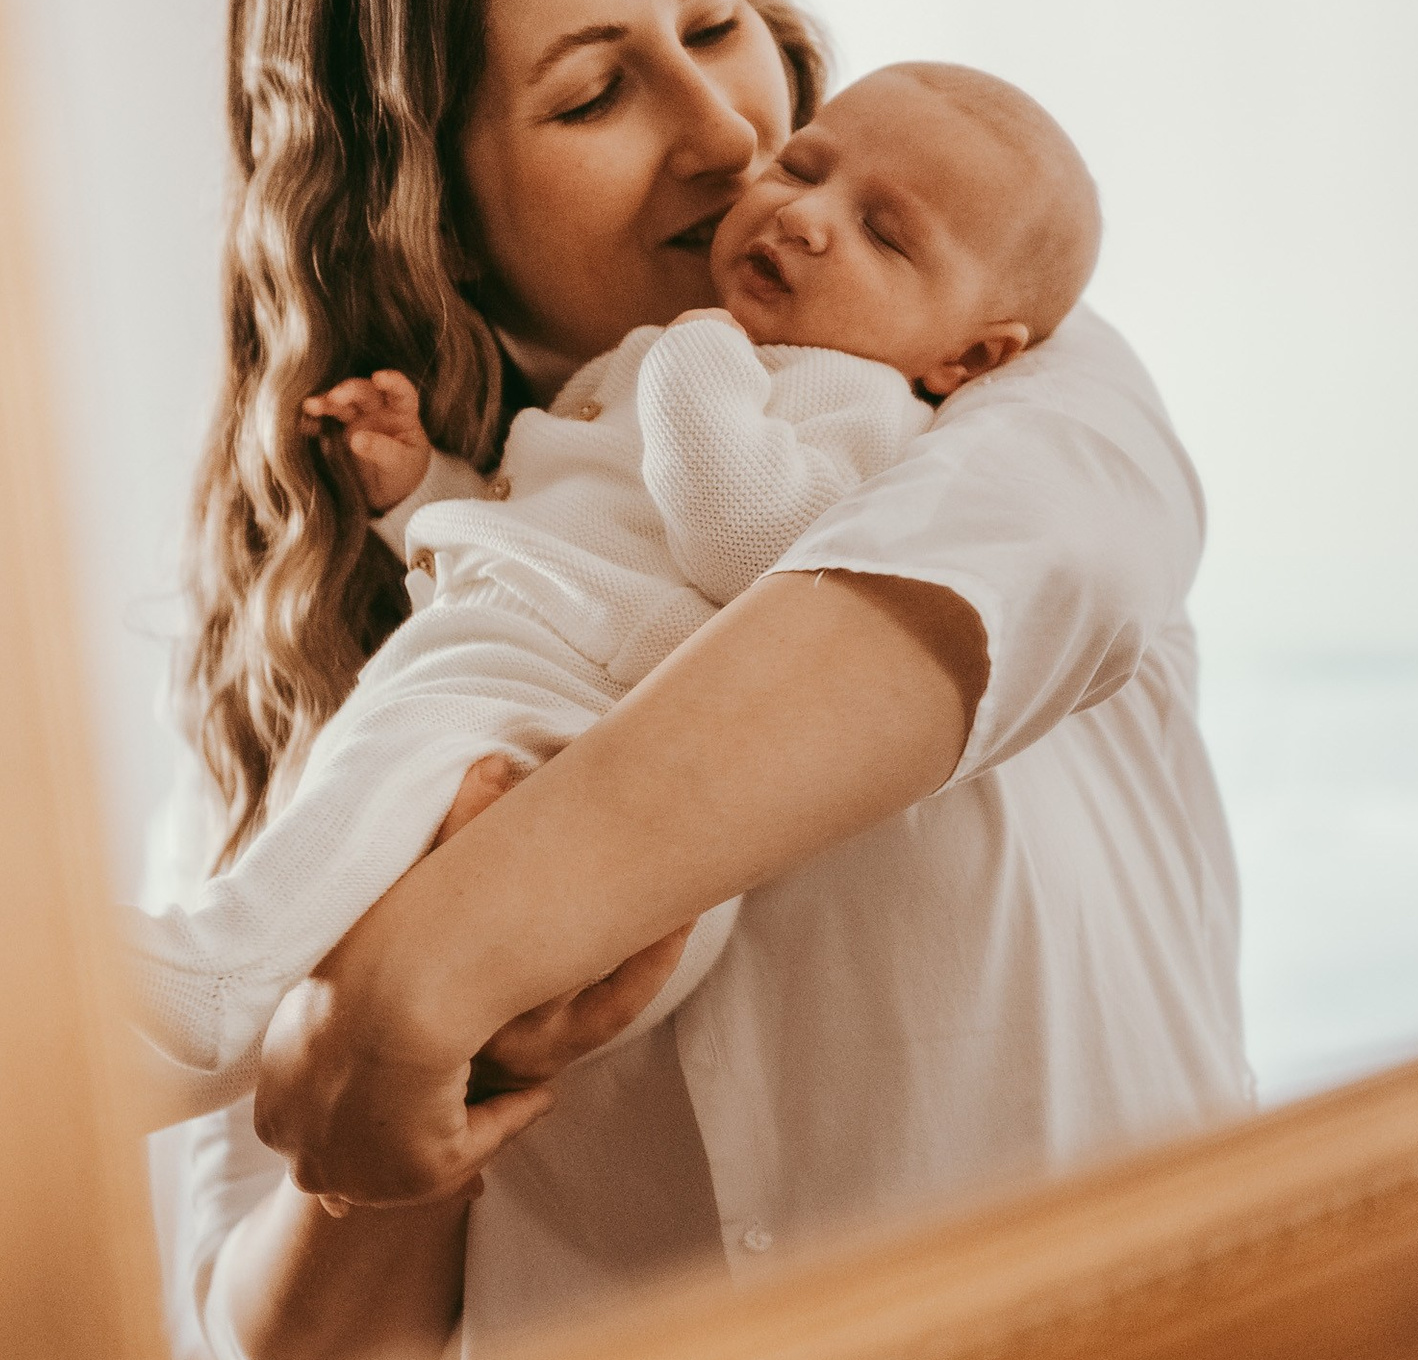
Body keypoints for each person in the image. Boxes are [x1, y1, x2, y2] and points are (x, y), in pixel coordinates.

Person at [149, 0, 1247, 1360]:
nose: (730, 130)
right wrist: (384, 1155)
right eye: (595, 93)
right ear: (423, 205)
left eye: (717, 18)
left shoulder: (1000, 378)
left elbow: (907, 612)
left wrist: (418, 981)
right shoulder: (346, 654)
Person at [123, 63, 1103, 1110]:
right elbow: (558, 514)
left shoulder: (859, 405)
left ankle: (208, 980)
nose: (806, 217)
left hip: (578, 677)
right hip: (542, 646)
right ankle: (214, 1023)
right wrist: (420, 489)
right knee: (362, 808)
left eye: (885, 234)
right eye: (803, 166)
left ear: (966, 356)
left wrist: (695, 365)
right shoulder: (686, 355)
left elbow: (748, 543)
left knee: (378, 763)